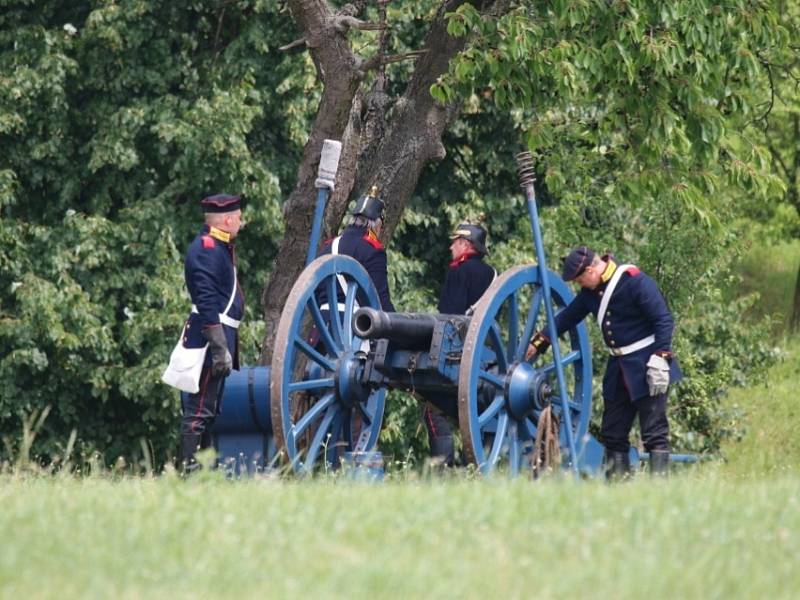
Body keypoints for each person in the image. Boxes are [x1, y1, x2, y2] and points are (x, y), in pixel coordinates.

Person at [525, 246, 681, 477]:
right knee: (613, 434)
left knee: (654, 433)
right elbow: (567, 318)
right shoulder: (591, 293)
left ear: (590, 270)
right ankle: (617, 491)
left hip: (647, 365)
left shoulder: (634, 281)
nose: (579, 285)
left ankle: (658, 491)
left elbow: (663, 320)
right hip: (618, 370)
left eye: (579, 279)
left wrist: (661, 357)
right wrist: (539, 341)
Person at [179, 193, 245, 470]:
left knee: (209, 408)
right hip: (209, 338)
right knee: (198, 410)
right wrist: (219, 346)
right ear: (227, 219)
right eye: (239, 218)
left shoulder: (218, 246)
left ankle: (205, 470)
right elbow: (206, 301)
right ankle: (188, 471)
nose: (241, 223)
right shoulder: (207, 248)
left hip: (216, 336)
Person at [424, 222, 496, 467]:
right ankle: (473, 464)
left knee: (433, 410)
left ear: (466, 245)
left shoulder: (458, 271)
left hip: (458, 350)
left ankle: (442, 467)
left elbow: (449, 314)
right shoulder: (490, 273)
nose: (451, 246)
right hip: (485, 351)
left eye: (455, 242)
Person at [317, 186, 395, 312]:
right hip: (353, 326)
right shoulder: (373, 251)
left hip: (322, 325)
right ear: (377, 225)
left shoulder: (328, 247)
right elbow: (381, 301)